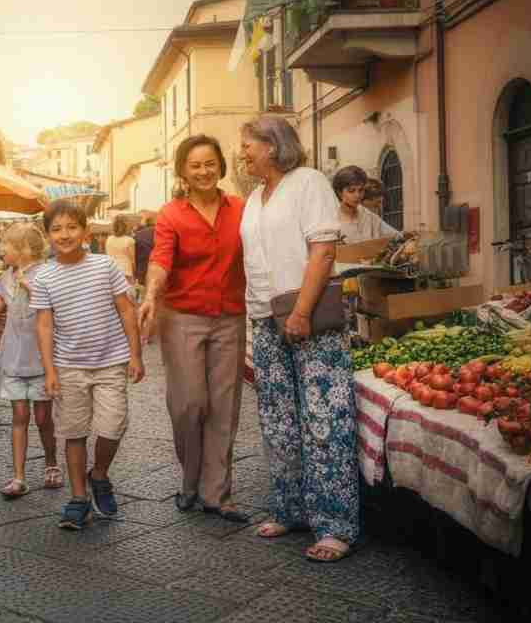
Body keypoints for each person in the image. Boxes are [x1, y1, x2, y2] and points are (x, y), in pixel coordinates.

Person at [238, 115, 358, 563]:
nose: (242, 152)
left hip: (306, 317)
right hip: (264, 319)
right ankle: (292, 510)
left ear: (272, 145)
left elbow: (323, 251)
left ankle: (335, 526)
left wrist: (303, 311)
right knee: (278, 421)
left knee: (324, 419)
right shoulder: (254, 196)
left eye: (247, 144)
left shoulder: (308, 182)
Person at [137, 135, 248, 521]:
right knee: (189, 403)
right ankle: (190, 480)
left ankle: (216, 493)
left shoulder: (241, 209)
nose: (204, 171)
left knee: (224, 406)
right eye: (195, 165)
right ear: (183, 171)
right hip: (183, 316)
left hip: (230, 316)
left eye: (210, 163)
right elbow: (160, 259)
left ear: (221, 166)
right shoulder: (172, 214)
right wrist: (151, 295)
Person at [31, 200, 144, 530]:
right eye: (56, 229)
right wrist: (50, 371)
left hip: (111, 362)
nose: (64, 234)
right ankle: (79, 498)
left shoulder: (105, 266)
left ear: (85, 231)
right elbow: (44, 325)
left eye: (72, 227)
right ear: (47, 235)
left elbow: (126, 310)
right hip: (69, 367)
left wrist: (135, 354)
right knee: (74, 432)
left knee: (113, 426)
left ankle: (99, 474)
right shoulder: (44, 276)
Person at [0, 223, 61, 498]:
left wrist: (31, 289)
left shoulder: (47, 274)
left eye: (6, 246)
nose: (1, 251)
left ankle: (51, 462)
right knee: (19, 415)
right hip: (14, 356)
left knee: (43, 418)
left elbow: (56, 310)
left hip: (41, 358)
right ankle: (18, 477)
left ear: (24, 249)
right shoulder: (6, 277)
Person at [333, 165, 397, 244]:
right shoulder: (331, 219)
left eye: (361, 190)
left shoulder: (369, 217)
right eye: (351, 191)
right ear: (339, 192)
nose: (357, 195)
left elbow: (396, 237)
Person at [105, 216, 136, 282]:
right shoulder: (130, 240)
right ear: (126, 227)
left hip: (111, 270)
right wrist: (134, 273)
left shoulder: (109, 239)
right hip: (125, 271)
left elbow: (107, 255)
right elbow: (132, 260)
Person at [133, 212, 157, 286]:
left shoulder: (138, 235)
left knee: (142, 289)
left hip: (141, 268)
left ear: (146, 223)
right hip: (156, 268)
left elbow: (135, 253)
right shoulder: (160, 233)